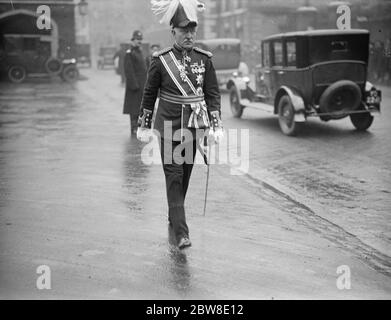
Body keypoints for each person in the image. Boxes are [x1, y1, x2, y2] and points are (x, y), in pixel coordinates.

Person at [137, 0, 223, 249]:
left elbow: (213, 94)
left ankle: (174, 216)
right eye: (184, 30)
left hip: (194, 127)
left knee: (184, 176)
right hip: (168, 126)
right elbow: (149, 94)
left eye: (192, 30)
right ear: (173, 31)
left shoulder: (204, 59)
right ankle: (182, 232)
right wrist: (143, 124)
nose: (189, 35)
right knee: (173, 176)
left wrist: (216, 125)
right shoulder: (161, 60)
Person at [123, 30, 148, 135]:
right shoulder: (129, 53)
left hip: (142, 86)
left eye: (140, 40)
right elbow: (129, 71)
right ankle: (134, 129)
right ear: (132, 40)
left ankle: (139, 128)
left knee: (140, 109)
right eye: (137, 40)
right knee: (134, 109)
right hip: (134, 88)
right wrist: (135, 86)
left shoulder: (140, 52)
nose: (139, 42)